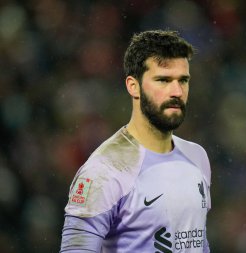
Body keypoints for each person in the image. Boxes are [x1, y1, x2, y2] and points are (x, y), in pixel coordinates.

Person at [60, 30, 211, 253]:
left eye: (183, 80)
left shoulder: (197, 157)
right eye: (163, 80)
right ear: (134, 86)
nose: (177, 91)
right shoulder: (105, 170)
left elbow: (197, 243)